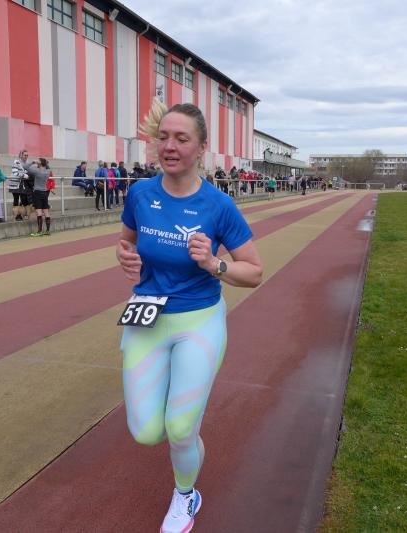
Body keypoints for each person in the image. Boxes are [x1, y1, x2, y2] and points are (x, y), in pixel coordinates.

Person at [115, 100, 263, 533]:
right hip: (147, 318)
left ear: (200, 148)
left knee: (180, 429)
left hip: (198, 320)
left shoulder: (218, 205)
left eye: (181, 139)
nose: (169, 146)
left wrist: (215, 264)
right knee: (146, 432)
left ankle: (185, 494)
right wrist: (125, 258)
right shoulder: (140, 194)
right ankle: (183, 429)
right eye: (163, 137)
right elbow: (126, 242)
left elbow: (254, 272)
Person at [24, 157, 52, 236]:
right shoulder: (47, 171)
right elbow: (48, 167)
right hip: (45, 192)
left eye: (38, 161)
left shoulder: (37, 171)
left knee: (39, 212)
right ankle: (47, 230)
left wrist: (33, 162)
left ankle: (39, 231)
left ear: (40, 163)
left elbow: (25, 167)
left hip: (37, 192)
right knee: (46, 211)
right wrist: (44, 163)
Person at [11, 149, 33, 220]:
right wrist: (25, 175)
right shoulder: (16, 162)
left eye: (27, 155)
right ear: (21, 155)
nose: (26, 156)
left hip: (24, 184)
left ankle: (24, 214)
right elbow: (15, 172)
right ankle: (17, 215)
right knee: (16, 200)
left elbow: (30, 172)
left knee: (24, 200)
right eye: (24, 155)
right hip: (16, 184)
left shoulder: (28, 163)